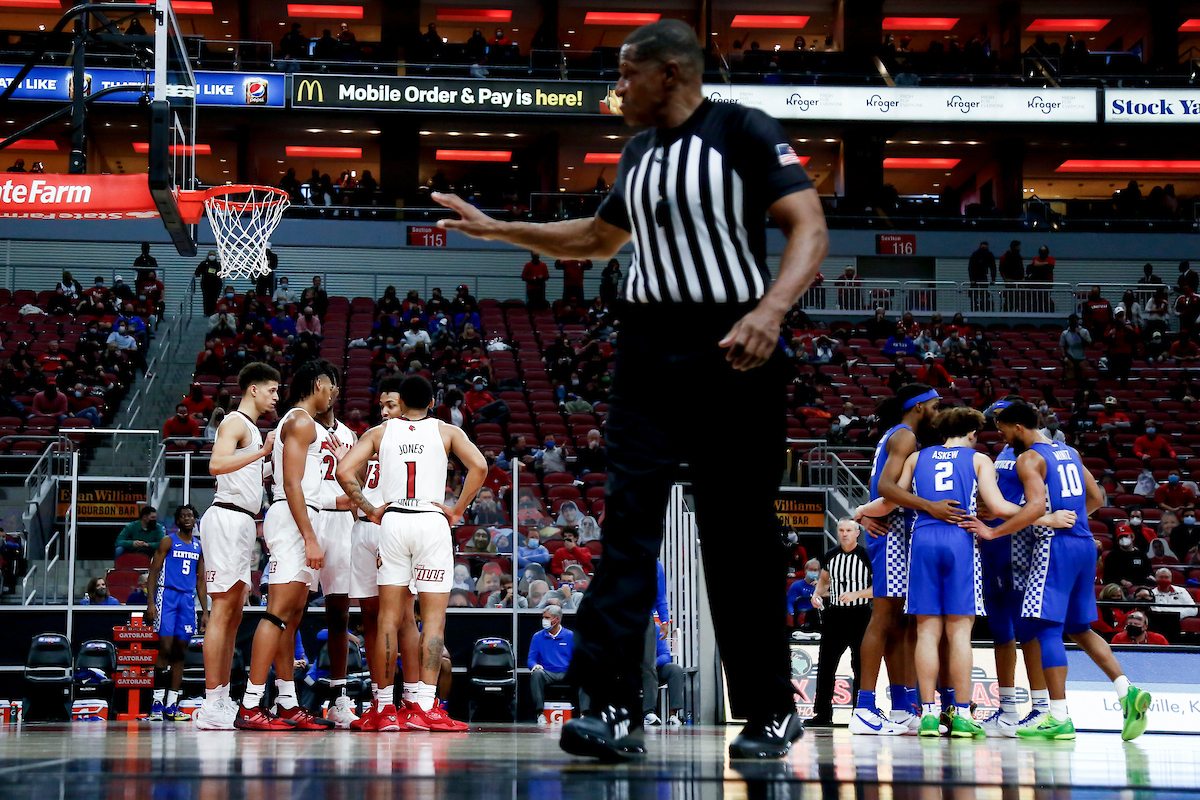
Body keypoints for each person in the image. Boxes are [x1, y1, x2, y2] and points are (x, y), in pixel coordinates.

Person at [432, 18, 827, 762]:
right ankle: (610, 703)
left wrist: (770, 312)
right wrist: (499, 230)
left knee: (736, 536)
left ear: (669, 74)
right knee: (626, 532)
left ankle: (771, 709)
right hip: (647, 348)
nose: (614, 89)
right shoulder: (639, 151)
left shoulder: (742, 129)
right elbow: (595, 239)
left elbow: (808, 224)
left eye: (623, 74)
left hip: (732, 347)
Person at [977, 401, 1152, 741]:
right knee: (1080, 628)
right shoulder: (1068, 451)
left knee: (1045, 629)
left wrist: (996, 531)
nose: (1000, 434)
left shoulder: (1029, 457)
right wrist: (1073, 518)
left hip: (1053, 547)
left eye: (1002, 428)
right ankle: (1125, 689)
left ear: (1018, 427)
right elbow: (1097, 496)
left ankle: (1057, 715)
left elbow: (1035, 509)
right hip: (1085, 544)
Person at [859, 407, 1030, 738]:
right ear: (970, 433)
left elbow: (888, 501)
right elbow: (997, 507)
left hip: (922, 540)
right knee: (959, 633)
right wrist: (1039, 515)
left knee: (926, 631)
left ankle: (927, 715)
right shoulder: (979, 460)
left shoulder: (917, 458)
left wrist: (860, 511)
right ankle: (962, 714)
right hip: (959, 540)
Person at [336, 375, 484, 732]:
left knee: (387, 617)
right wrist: (458, 509)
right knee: (431, 619)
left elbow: (343, 471)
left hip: (394, 521)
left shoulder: (380, 432)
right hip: (431, 521)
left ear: (400, 402)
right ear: (433, 402)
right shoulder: (447, 431)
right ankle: (424, 706)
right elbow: (479, 466)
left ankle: (385, 708)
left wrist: (370, 509)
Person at [237, 360, 339, 731]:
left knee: (292, 618)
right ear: (317, 384)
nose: (333, 392)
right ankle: (249, 705)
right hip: (293, 520)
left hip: (303, 516)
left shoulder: (305, 424)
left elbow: (308, 487)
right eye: (331, 385)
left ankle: (287, 703)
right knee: (278, 613)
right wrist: (310, 536)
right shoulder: (299, 421)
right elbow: (292, 486)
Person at [191, 366, 280, 727]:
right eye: (272, 390)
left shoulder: (255, 431)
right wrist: (262, 454)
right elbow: (215, 464)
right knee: (223, 610)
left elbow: (246, 474)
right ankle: (211, 703)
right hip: (226, 517)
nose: (276, 396)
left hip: (244, 520)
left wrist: (271, 462)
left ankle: (223, 698)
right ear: (254, 390)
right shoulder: (234, 422)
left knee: (235, 614)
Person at [342, 377, 402, 730]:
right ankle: (380, 702)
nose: (384, 411)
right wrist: (363, 506)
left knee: (394, 620)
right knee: (370, 620)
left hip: (390, 528)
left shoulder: (414, 437)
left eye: (391, 405)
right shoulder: (372, 438)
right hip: (365, 526)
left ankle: (399, 701)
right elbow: (351, 476)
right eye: (381, 406)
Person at [313, 379, 360, 728]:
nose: (330, 393)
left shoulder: (351, 435)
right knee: (289, 609)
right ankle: (283, 695)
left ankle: (338, 696)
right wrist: (332, 500)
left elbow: (356, 483)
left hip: (343, 524)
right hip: (309, 518)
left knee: (339, 616)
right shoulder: (301, 427)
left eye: (334, 387)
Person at [807, 518, 872, 727]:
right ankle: (822, 714)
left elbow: (879, 587)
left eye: (848, 530)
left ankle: (860, 713)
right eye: (841, 530)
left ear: (857, 533)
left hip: (861, 615)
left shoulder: (866, 555)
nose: (844, 534)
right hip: (835, 616)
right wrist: (816, 595)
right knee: (825, 665)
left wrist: (857, 594)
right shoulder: (830, 555)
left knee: (860, 666)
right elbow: (824, 582)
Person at [145, 505, 206, 723]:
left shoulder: (199, 546)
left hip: (187, 600)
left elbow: (201, 580)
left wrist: (205, 611)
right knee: (165, 648)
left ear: (195, 520)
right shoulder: (168, 541)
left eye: (190, 515)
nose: (187, 518)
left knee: (181, 651)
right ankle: (156, 703)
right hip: (166, 596)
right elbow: (153, 572)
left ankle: (172, 704)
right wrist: (150, 602)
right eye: (183, 516)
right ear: (178, 521)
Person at [529, 605, 576, 723]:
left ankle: (584, 714)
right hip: (547, 673)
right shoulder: (537, 637)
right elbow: (531, 659)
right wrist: (534, 665)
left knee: (584, 674)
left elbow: (578, 657)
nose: (543, 620)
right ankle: (540, 714)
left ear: (557, 619)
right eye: (543, 617)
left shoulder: (570, 635)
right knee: (536, 674)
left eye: (547, 618)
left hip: (567, 673)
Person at [1059, 315, 1092, 382]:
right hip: (1070, 356)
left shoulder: (1084, 331)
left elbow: (1089, 343)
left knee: (1083, 371)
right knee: (1069, 366)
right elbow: (1062, 345)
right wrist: (1064, 356)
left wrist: (1080, 335)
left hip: (1081, 356)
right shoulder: (1065, 333)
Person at [967, 241, 995, 312]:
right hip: (975, 277)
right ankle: (974, 308)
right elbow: (971, 267)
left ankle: (984, 308)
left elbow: (993, 267)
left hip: (983, 276)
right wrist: (972, 279)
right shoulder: (976, 255)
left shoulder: (989, 255)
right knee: (974, 294)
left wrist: (993, 279)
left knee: (984, 294)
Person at [195, 251, 222, 316]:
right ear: (208, 255)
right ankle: (206, 313)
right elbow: (197, 273)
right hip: (206, 284)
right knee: (206, 298)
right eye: (210, 254)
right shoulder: (204, 264)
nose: (212, 256)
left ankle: (213, 312)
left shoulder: (218, 264)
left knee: (214, 298)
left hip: (216, 284)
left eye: (213, 254)